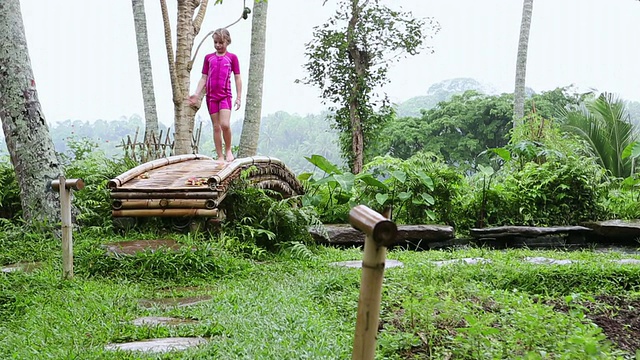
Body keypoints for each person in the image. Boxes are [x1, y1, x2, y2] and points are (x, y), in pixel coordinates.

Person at [189, 28, 242, 163]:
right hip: (211, 97)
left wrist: (239, 97)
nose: (218, 45)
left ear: (227, 42)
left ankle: (228, 150)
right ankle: (220, 156)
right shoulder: (209, 58)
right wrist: (196, 94)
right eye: (216, 42)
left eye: (221, 43)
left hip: (225, 96)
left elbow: (237, 78)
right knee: (216, 126)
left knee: (225, 124)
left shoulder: (232, 58)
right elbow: (203, 78)